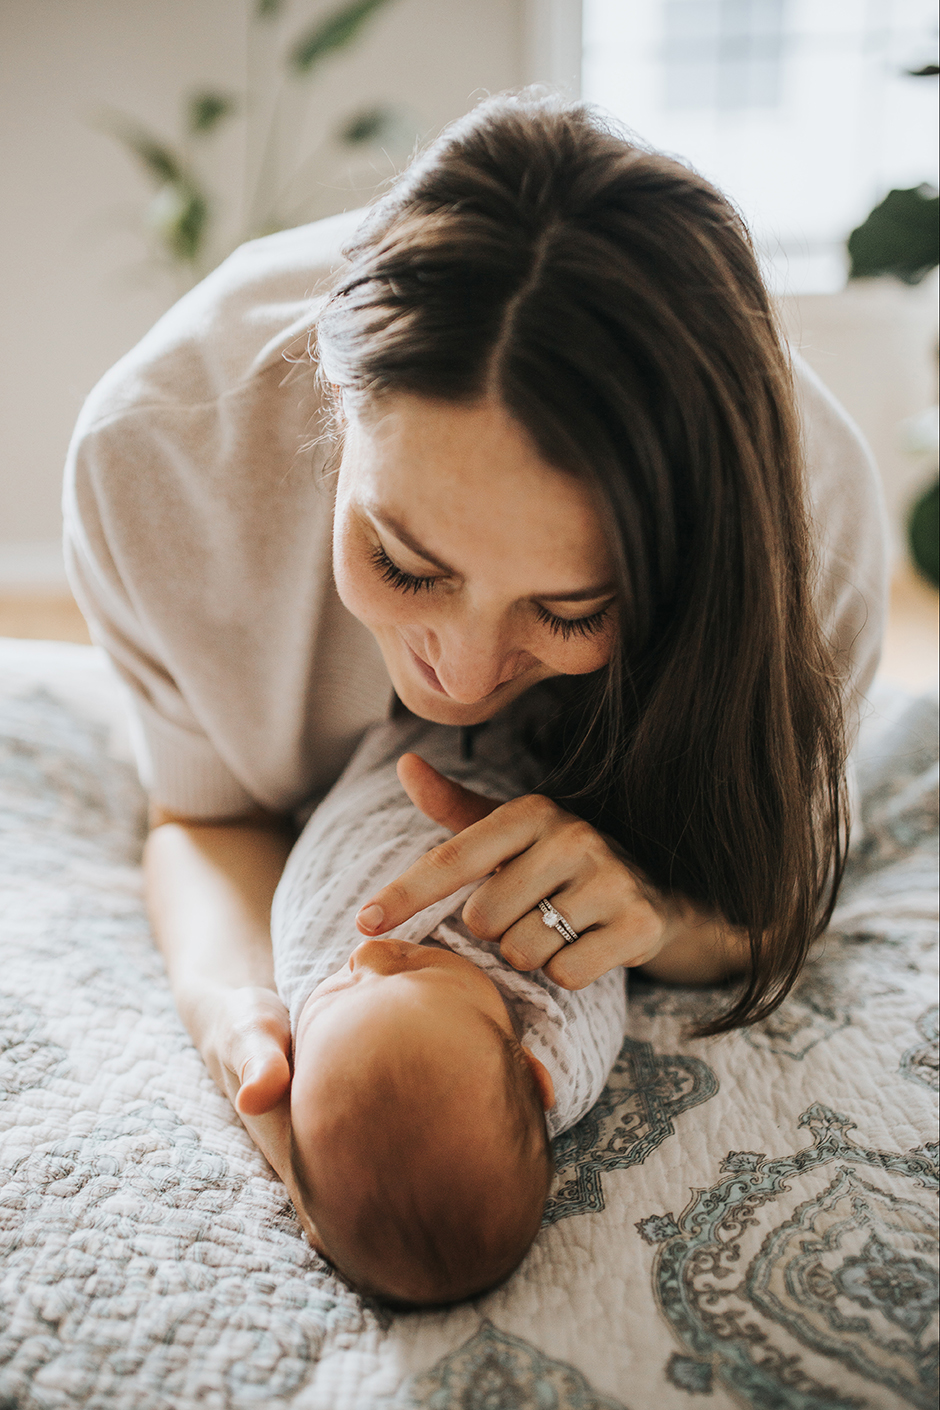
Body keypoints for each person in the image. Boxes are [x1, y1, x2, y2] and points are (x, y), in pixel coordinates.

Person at [62, 95, 887, 1294]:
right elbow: (201, 817)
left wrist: (665, 911)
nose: (454, 672)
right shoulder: (161, 457)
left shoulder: (811, 529)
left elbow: (774, 893)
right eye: (402, 563)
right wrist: (246, 1017)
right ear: (330, 411)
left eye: (569, 610)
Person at [271, 712, 627, 1303]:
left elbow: (296, 916)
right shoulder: (555, 1032)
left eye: (336, 995)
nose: (372, 956)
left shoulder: (313, 989)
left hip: (386, 751)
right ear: (533, 1067)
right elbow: (605, 966)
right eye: (415, 970)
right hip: (544, 751)